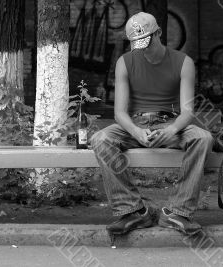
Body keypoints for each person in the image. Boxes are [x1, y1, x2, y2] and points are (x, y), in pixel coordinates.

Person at [91, 12, 214, 235]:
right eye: (138, 44)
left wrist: (173, 130)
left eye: (147, 42)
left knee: (202, 137)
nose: (144, 48)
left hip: (170, 122)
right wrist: (136, 132)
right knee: (101, 139)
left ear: (158, 33)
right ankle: (132, 212)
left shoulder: (183, 62)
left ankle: (178, 213)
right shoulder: (124, 63)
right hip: (135, 123)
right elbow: (120, 113)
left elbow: (188, 111)